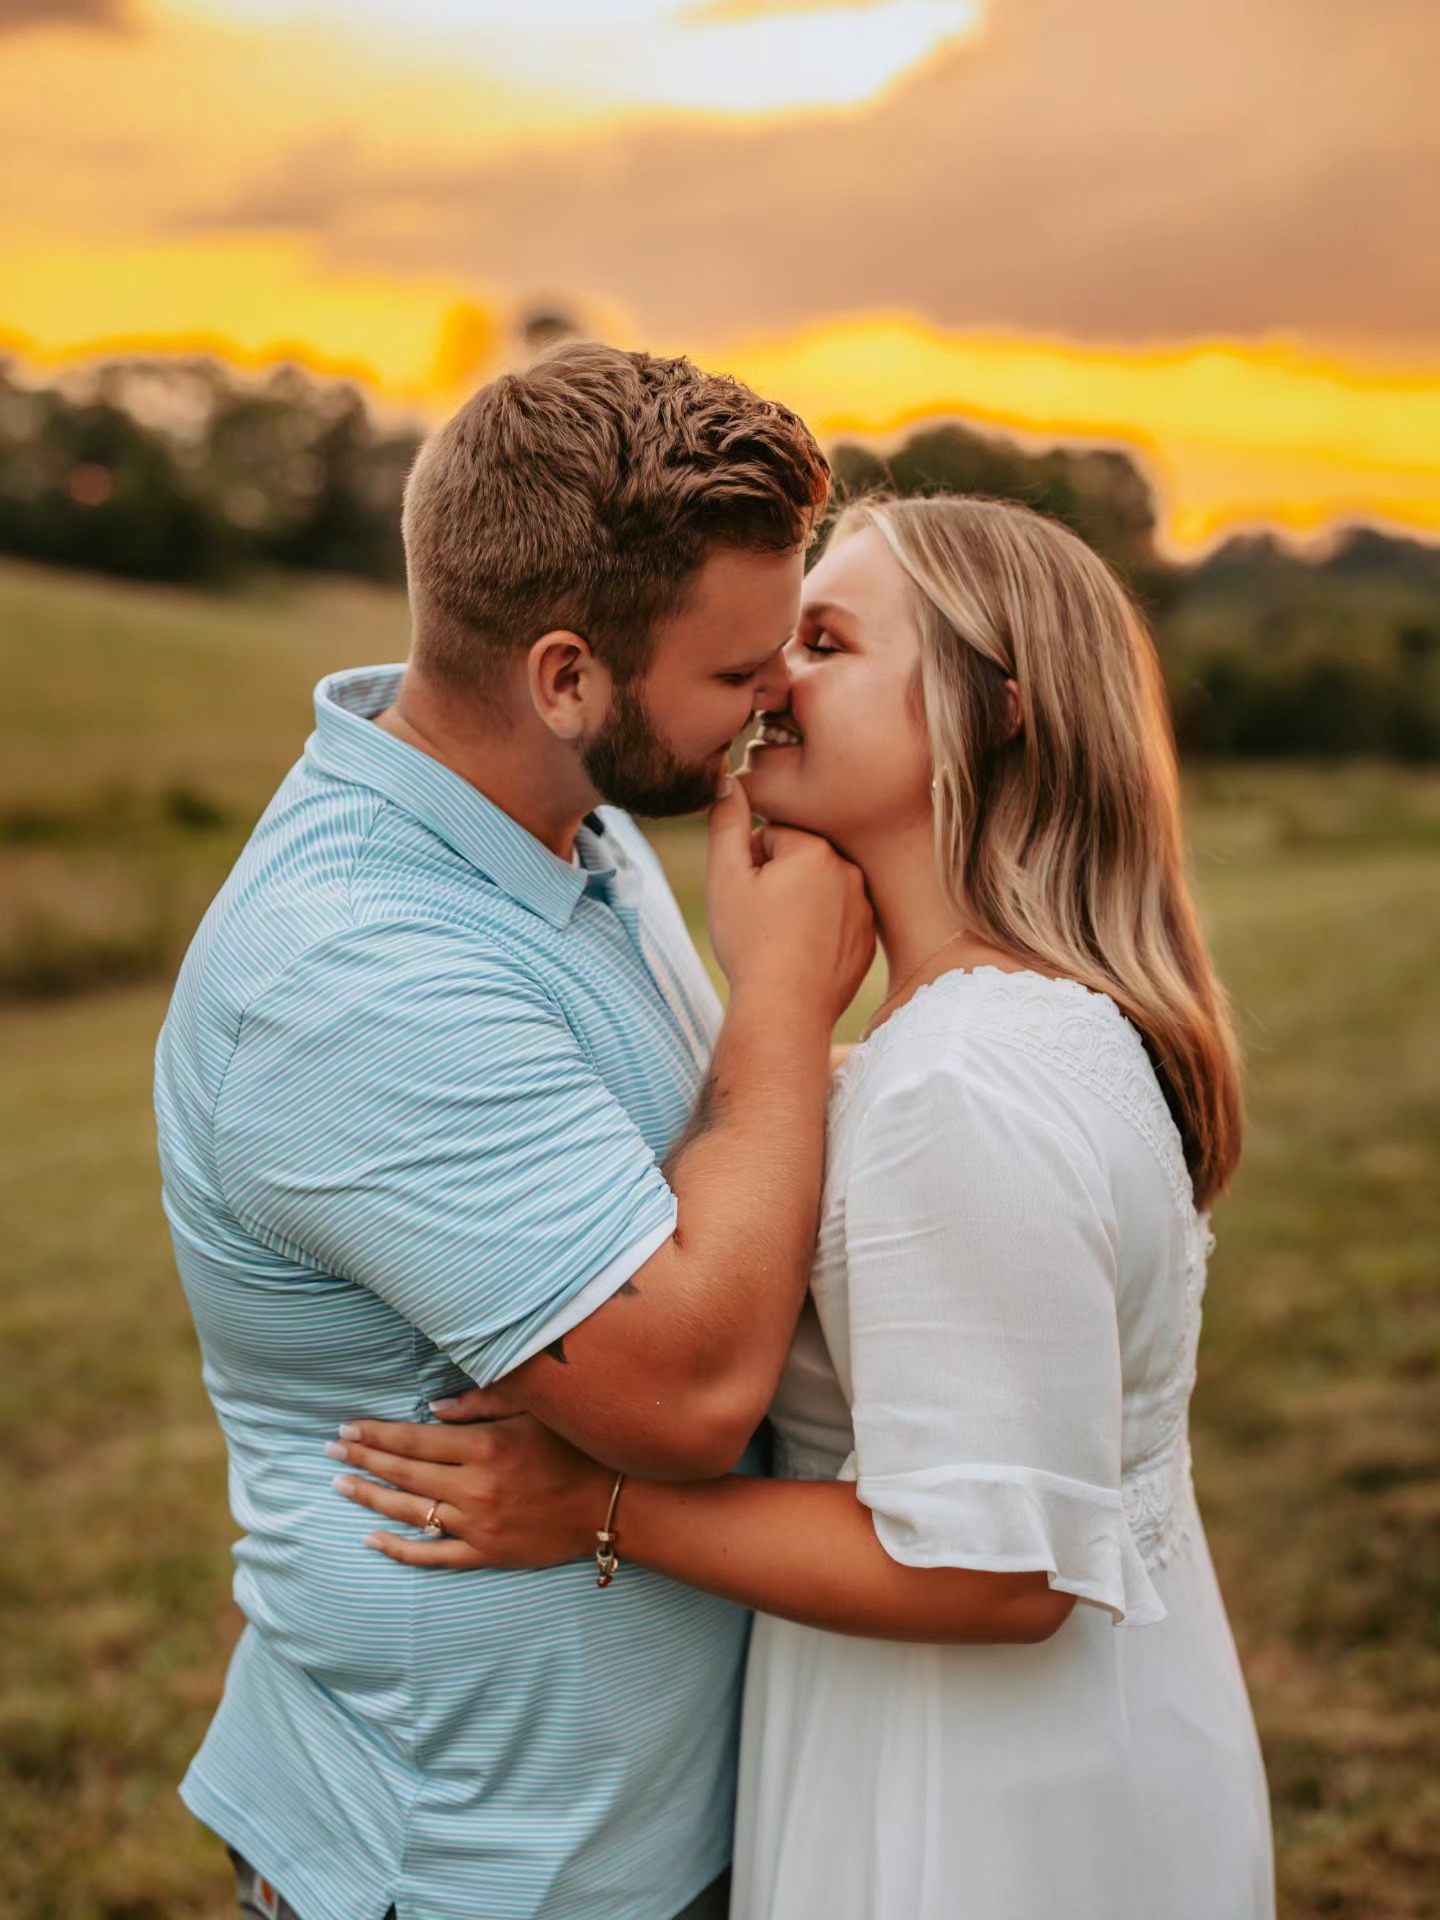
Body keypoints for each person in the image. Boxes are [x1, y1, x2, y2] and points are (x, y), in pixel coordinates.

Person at [334, 495, 1277, 1920]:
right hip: (1073, 1745)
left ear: (997, 713)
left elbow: (998, 1573)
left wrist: (599, 1505)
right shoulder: (1022, 1031)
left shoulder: (964, 1087)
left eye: (824, 642)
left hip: (968, 1811)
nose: (768, 683)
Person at [153, 341, 874, 1920]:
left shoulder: (575, 820)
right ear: (566, 677)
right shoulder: (349, 973)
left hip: (644, 1827)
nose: (781, 707)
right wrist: (780, 1006)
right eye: (740, 674)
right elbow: (682, 1388)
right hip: (480, 1865)